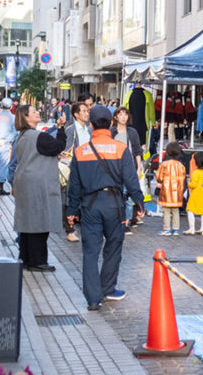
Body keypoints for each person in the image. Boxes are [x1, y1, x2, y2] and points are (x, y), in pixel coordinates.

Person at [66, 106, 144, 311]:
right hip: (114, 205)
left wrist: (71, 211)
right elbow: (131, 179)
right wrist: (139, 201)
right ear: (110, 123)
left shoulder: (80, 152)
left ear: (91, 125)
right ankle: (108, 288)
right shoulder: (120, 149)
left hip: (89, 206)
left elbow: (74, 185)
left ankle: (93, 299)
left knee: (90, 251)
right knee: (113, 246)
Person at [8, 105, 67, 272]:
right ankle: (37, 261)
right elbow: (58, 146)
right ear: (26, 118)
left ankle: (25, 258)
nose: (37, 113)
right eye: (34, 112)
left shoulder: (22, 136)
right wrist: (61, 128)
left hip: (24, 181)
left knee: (27, 223)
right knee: (39, 223)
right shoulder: (38, 136)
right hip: (38, 184)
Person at [61, 102, 92, 242]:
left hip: (89, 169)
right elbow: (66, 151)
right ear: (76, 114)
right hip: (74, 168)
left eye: (87, 111)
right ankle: (70, 229)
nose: (87, 113)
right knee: (69, 198)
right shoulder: (71, 130)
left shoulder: (90, 130)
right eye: (83, 111)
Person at [110, 107, 144, 230]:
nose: (123, 117)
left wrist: (139, 168)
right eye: (121, 114)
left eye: (126, 114)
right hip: (114, 169)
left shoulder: (132, 132)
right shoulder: (111, 132)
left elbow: (137, 151)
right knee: (116, 195)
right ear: (116, 117)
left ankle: (127, 222)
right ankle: (117, 220)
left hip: (129, 168)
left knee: (129, 196)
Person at [156, 142, 186, 236]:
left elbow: (159, 178)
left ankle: (166, 229)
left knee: (166, 211)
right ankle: (176, 229)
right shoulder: (181, 166)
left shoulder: (164, 165)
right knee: (176, 210)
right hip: (178, 192)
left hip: (166, 192)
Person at [185, 151, 203, 235]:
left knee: (190, 210)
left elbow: (193, 184)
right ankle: (202, 229)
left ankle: (191, 228)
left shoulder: (196, 173)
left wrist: (188, 182)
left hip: (196, 195)